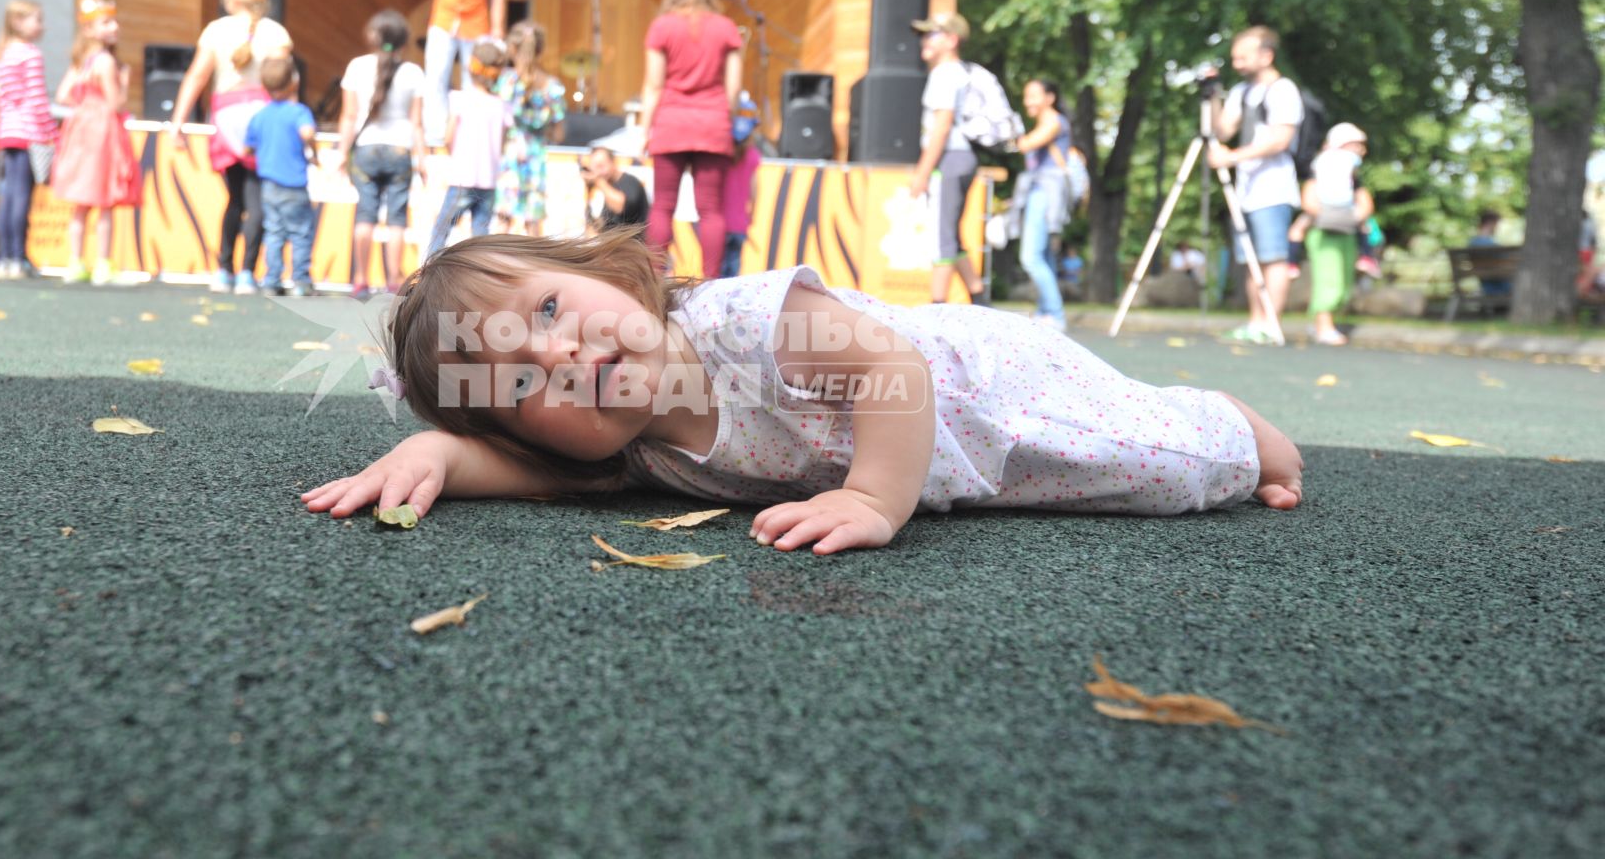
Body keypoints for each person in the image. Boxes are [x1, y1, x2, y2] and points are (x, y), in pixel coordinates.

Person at [303, 231, 1305, 555]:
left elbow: (892, 369)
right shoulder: (626, 450)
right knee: (1078, 485)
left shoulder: (741, 323)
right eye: (521, 377)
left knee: (1170, 470)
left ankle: (1238, 423)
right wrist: (435, 452)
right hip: (958, 462)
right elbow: (531, 470)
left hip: (987, 388)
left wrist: (872, 497)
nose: (563, 356)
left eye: (555, 308)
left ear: (607, 274)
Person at [169, 0, 294, 293]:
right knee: (258, 201)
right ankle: (247, 274)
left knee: (235, 198)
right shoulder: (275, 32)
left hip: (225, 118)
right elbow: (284, 81)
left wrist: (177, 122)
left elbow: (196, 76)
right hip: (263, 118)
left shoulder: (216, 30)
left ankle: (224, 268)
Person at [640, 0, 742, 276]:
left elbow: (654, 84)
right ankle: (711, 282)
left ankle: (655, 279)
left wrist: (645, 128)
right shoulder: (726, 28)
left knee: (662, 206)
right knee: (710, 210)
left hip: (671, 124)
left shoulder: (662, 27)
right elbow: (734, 88)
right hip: (713, 125)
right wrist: (727, 119)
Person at [1207, 26, 1302, 344]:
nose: (1237, 63)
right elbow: (1222, 131)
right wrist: (1212, 96)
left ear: (1266, 55)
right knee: (1250, 257)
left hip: (1272, 188)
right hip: (1245, 191)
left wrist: (1233, 158)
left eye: (1243, 57)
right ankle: (1255, 321)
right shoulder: (1240, 92)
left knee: (1272, 256)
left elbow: (1280, 139)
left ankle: (1270, 324)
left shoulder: (1283, 90)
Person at [906, 12, 998, 305]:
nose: (924, 40)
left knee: (940, 237)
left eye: (932, 34)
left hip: (949, 159)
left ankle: (936, 311)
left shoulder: (944, 74)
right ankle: (979, 299)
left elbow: (942, 125)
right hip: (962, 158)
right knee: (951, 235)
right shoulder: (960, 73)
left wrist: (922, 171)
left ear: (952, 40)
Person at [337, 10, 426, 297]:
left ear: (373, 37)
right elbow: (416, 123)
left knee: (365, 215)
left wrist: (341, 152)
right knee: (397, 218)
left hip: (365, 149)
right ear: (403, 41)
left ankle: (361, 279)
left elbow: (349, 115)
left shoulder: (356, 67)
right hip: (400, 150)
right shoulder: (413, 73)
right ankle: (392, 281)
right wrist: (422, 158)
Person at [49, 0, 137, 286]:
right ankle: (103, 264)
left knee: (81, 202)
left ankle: (75, 263)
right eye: (107, 22)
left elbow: (63, 95)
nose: (115, 26)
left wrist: (84, 102)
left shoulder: (82, 62)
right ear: (89, 29)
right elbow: (115, 102)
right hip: (102, 131)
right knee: (104, 200)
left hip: (81, 130)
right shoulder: (107, 62)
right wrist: (123, 82)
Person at [419, 0, 508, 148]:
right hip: (444, 21)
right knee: (436, 75)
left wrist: (498, 29)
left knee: (475, 80)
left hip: (476, 24)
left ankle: (471, 135)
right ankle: (436, 133)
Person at [0, 0, 57, 279]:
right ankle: (17, 255)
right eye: (36, 20)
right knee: (22, 197)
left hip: (9, 132)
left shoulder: (3, 54)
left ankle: (4, 256)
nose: (42, 26)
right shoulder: (29, 54)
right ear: (17, 22)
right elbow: (37, 98)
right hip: (30, 134)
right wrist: (52, 132)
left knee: (9, 194)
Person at [1285, 122, 1374, 345]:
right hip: (1324, 230)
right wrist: (1328, 215)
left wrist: (1353, 216)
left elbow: (1364, 204)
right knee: (1329, 278)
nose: (1360, 151)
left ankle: (1324, 323)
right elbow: (1309, 200)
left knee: (1344, 282)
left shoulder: (1352, 178)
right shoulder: (1319, 170)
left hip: (1347, 229)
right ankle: (1323, 325)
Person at [1010, 79, 1081, 331]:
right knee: (1044, 255)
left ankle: (1054, 313)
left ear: (1050, 98)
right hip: (1040, 190)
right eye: (1026, 96)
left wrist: (1005, 131)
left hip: (1046, 192)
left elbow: (1026, 144)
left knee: (1030, 257)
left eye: (1033, 96)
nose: (1028, 101)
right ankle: (1045, 313)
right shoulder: (1047, 121)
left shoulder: (1053, 121)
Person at [427, 39, 509, 252]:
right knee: (480, 234)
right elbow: (501, 142)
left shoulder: (460, 99)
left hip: (462, 178)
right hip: (488, 180)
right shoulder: (501, 105)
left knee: (442, 229)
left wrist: (455, 155)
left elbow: (448, 137)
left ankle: (429, 271)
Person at [247, 55, 319, 296]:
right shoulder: (298, 112)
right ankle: (300, 280)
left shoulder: (261, 116)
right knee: (300, 233)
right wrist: (313, 150)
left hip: (269, 185)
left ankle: (271, 279)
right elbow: (307, 133)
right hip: (294, 185)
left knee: (274, 232)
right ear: (293, 83)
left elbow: (247, 146)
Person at [494, 21, 567, 238]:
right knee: (533, 221)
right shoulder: (552, 86)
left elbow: (499, 123)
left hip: (510, 154)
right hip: (536, 157)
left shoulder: (507, 82)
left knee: (503, 218)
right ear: (541, 50)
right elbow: (559, 133)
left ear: (513, 49)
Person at [719, 92, 763, 278]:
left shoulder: (720, 151)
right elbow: (755, 189)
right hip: (739, 224)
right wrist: (752, 212)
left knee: (714, 273)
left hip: (718, 222)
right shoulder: (752, 155)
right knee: (732, 274)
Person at [582, 146, 648, 234]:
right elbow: (603, 225)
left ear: (613, 162)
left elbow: (621, 207)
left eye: (601, 166)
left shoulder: (630, 182)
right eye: (594, 168)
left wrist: (599, 182)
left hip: (632, 245)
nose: (597, 173)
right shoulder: (608, 187)